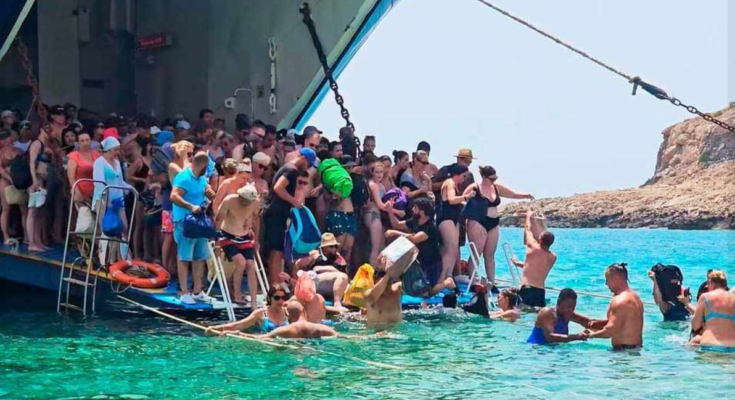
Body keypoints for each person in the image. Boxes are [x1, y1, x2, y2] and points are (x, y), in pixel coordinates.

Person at [467, 166, 534, 287]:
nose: (493, 181)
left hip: (494, 222)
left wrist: (526, 195)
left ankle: (491, 283)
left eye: (495, 178)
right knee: (477, 253)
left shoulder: (497, 187)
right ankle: (473, 282)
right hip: (478, 221)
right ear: (483, 177)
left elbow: (513, 194)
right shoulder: (475, 187)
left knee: (490, 254)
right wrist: (471, 201)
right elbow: (462, 200)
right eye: (491, 178)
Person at [263, 148, 317, 283]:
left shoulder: (288, 168)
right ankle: (275, 285)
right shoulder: (292, 170)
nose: (308, 168)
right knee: (277, 251)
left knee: (278, 251)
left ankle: (276, 283)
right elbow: (278, 187)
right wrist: (294, 201)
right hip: (276, 213)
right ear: (303, 158)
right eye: (309, 164)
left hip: (276, 212)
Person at [385, 197, 457, 298]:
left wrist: (394, 233)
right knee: (412, 288)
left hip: (431, 265)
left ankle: (447, 282)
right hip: (419, 262)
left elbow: (414, 238)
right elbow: (396, 224)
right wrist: (389, 210)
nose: (412, 210)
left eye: (415, 208)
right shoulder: (414, 221)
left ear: (422, 212)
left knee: (426, 294)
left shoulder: (430, 227)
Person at [170, 151, 216, 305]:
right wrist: (190, 206)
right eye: (207, 166)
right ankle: (183, 291)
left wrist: (211, 194)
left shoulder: (202, 178)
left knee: (200, 256)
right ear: (202, 164)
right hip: (185, 222)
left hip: (199, 223)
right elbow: (174, 196)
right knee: (184, 256)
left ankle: (197, 290)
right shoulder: (183, 177)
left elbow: (209, 195)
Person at [215, 184, 261, 307]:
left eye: (249, 201)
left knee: (251, 265)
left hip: (244, 237)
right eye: (245, 200)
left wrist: (256, 239)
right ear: (240, 196)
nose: (246, 203)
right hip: (227, 236)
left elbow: (256, 220)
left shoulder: (256, 203)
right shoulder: (229, 200)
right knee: (241, 262)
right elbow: (218, 219)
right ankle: (237, 294)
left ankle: (254, 303)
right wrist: (217, 243)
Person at [586, 263, 644, 350]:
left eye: (607, 280)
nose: (606, 284)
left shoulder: (620, 300)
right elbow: (625, 322)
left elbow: (609, 331)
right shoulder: (636, 298)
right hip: (636, 349)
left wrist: (590, 335)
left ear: (615, 279)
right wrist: (600, 323)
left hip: (623, 352)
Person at [292, 233, 350, 311]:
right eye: (331, 246)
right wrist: (296, 282)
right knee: (341, 277)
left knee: (345, 280)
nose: (334, 249)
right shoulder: (315, 254)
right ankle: (337, 304)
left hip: (332, 283)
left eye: (335, 246)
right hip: (315, 281)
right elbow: (297, 264)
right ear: (324, 247)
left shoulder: (338, 257)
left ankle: (338, 302)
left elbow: (345, 274)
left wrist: (330, 269)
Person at [511, 211, 556, 308]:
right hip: (541, 292)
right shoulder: (553, 257)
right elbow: (535, 267)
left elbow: (528, 230)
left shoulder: (533, 247)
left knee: (521, 313)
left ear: (539, 239)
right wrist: (517, 263)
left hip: (528, 289)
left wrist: (528, 216)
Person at [437, 164, 473, 281]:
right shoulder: (450, 182)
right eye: (463, 176)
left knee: (453, 249)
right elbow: (451, 200)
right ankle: (442, 277)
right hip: (446, 219)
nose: (464, 179)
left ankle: (448, 276)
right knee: (450, 249)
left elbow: (457, 202)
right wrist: (466, 197)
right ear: (457, 174)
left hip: (453, 219)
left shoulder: (455, 185)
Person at [206, 285, 291, 334]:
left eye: (283, 298)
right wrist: (216, 328)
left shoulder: (288, 312)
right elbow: (239, 325)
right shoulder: (260, 314)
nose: (280, 301)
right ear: (269, 298)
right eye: (277, 298)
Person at [687, 270, 735, 348]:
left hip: (710, 344)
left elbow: (695, 325)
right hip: (732, 346)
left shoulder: (705, 297)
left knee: (689, 346)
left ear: (711, 283)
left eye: (708, 284)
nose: (706, 287)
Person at [0, 129, 25, 244]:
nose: (7, 141)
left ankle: (27, 236)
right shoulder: (0, 153)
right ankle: (6, 237)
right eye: (4, 139)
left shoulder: (19, 151)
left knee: (24, 209)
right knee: (6, 209)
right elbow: (1, 170)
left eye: (9, 138)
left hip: (19, 180)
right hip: (5, 180)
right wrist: (11, 179)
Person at [265, 301, 337, 339]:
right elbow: (339, 336)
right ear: (304, 312)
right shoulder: (322, 328)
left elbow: (262, 338)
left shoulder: (283, 331)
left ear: (287, 315)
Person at [67, 130, 100, 203]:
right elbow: (71, 178)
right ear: (77, 143)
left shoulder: (96, 154)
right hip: (80, 191)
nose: (85, 143)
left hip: (96, 191)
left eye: (87, 140)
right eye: (82, 141)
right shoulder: (74, 156)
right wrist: (77, 192)